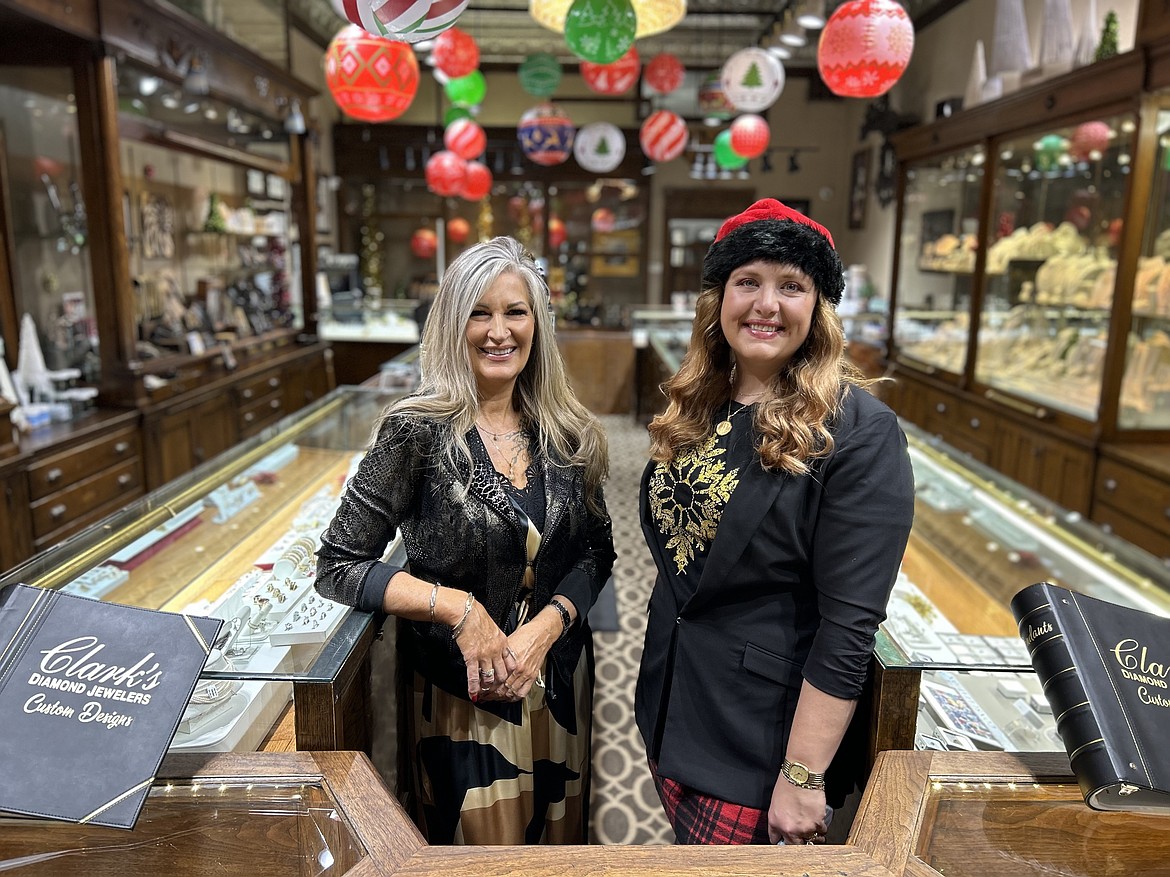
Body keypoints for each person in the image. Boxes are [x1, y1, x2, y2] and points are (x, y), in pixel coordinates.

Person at [315, 236, 615, 845]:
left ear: (538, 325)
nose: (498, 331)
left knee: (558, 849)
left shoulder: (566, 430)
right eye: (479, 312)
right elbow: (338, 565)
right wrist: (459, 610)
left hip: (557, 684)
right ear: (453, 323)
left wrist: (549, 625)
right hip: (463, 702)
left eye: (515, 312)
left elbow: (596, 552)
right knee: (478, 855)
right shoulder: (415, 431)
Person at [635, 199, 915, 846]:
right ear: (719, 298)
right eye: (747, 282)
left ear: (818, 307)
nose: (766, 303)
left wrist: (802, 773)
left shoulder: (859, 433)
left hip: (758, 747)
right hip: (670, 705)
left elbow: (849, 624)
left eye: (791, 285)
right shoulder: (700, 402)